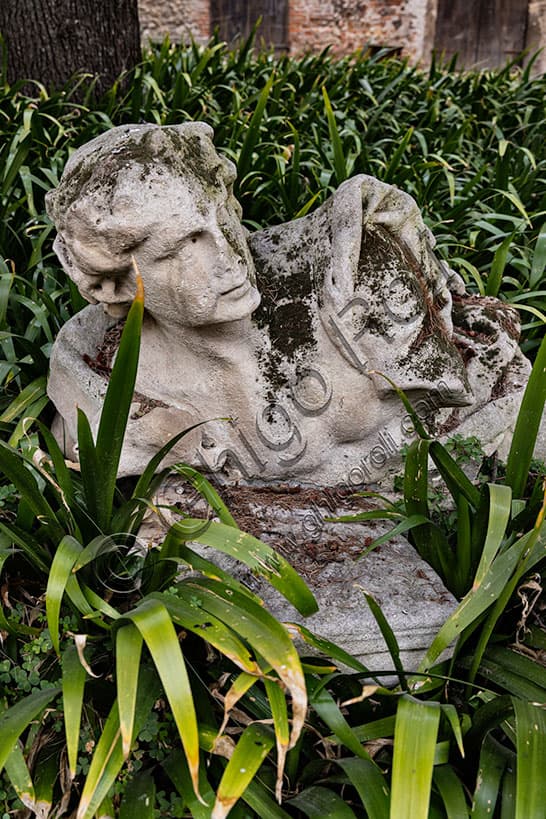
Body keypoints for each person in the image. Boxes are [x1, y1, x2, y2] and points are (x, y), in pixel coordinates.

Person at [46, 122, 530, 484]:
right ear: (115, 285)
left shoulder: (355, 271)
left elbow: (476, 399)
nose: (230, 256)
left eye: (223, 219)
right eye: (184, 247)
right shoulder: (101, 390)